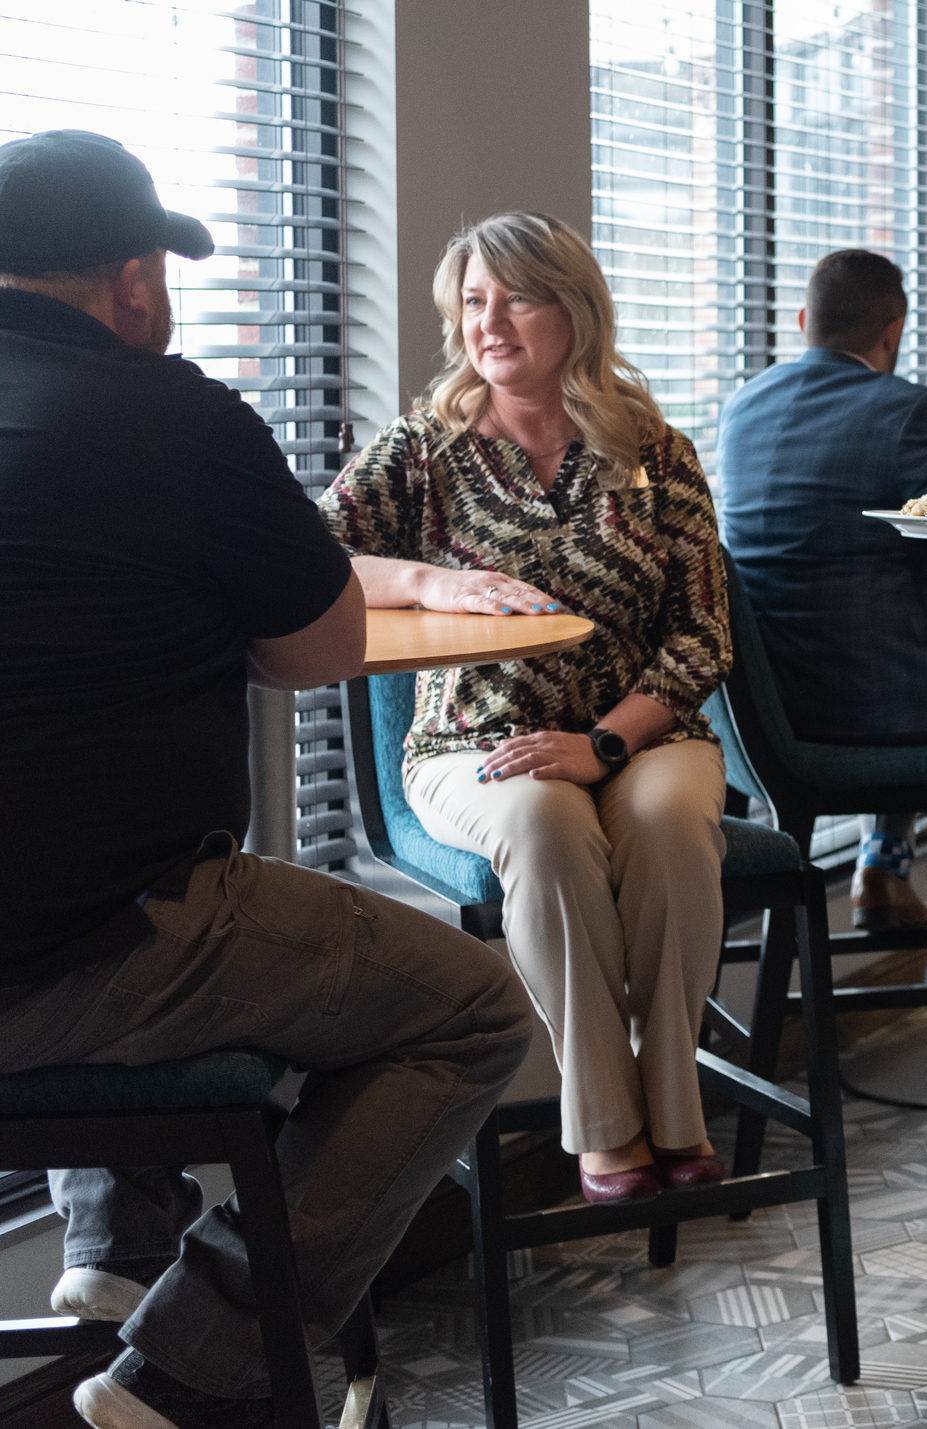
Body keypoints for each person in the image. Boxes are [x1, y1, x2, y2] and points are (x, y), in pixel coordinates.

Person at [0, 130, 532, 1429]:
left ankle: (116, 1257)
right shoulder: (171, 413)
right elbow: (319, 652)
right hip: (70, 960)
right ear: (134, 281)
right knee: (465, 1007)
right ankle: (193, 1361)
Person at [319, 212, 733, 1204]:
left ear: (575, 313)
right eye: (472, 301)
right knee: (543, 825)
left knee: (669, 821)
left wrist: (602, 742)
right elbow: (303, 558)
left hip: (643, 729)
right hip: (475, 739)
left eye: (516, 297)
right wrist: (425, 582)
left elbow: (701, 633)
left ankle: (674, 1102)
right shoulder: (422, 451)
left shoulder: (654, 450)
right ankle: (605, 1125)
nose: (488, 322)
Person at [718, 249, 927, 981]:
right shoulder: (910, 410)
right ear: (895, 330)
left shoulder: (741, 408)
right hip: (883, 704)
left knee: (887, 616)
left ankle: (882, 864)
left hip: (772, 710)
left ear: (804, 321)